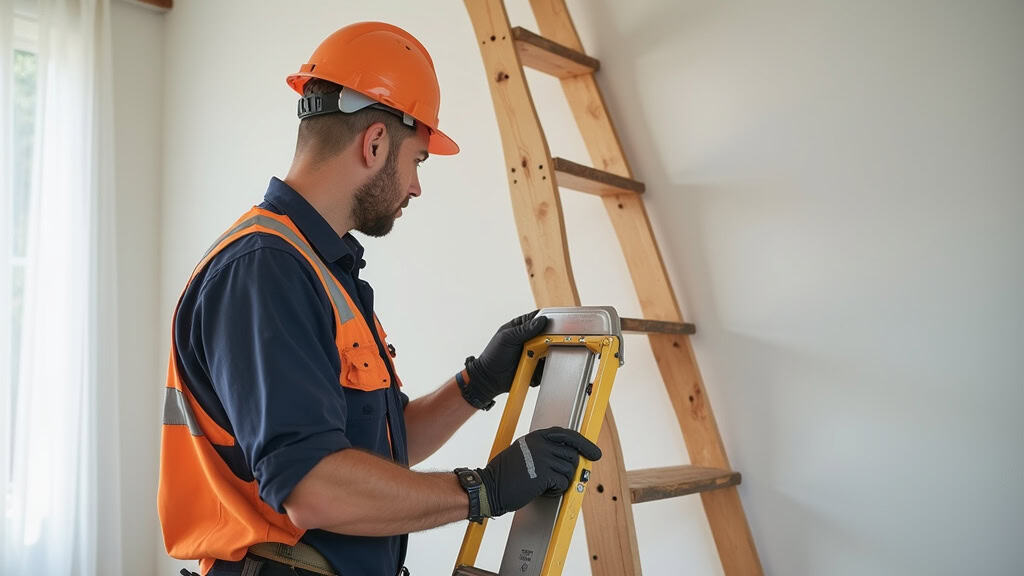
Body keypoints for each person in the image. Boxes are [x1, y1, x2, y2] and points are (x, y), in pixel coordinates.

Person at [157, 22, 601, 576]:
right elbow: (316, 488)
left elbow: (374, 458)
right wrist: (481, 491)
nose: (416, 186)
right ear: (374, 143)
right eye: (418, 160)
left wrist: (477, 383)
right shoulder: (266, 271)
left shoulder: (322, 269)